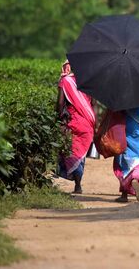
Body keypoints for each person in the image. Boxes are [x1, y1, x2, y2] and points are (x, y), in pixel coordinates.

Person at [56, 60, 96, 194]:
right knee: (80, 155)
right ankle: (78, 184)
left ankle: (77, 183)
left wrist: (59, 117)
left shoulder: (65, 81)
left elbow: (60, 104)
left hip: (73, 122)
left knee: (73, 152)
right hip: (87, 123)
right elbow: (93, 103)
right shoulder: (89, 81)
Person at [113, 107, 139, 203]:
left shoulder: (121, 95)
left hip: (123, 128)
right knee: (138, 158)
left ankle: (124, 195)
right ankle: (136, 179)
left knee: (123, 161)